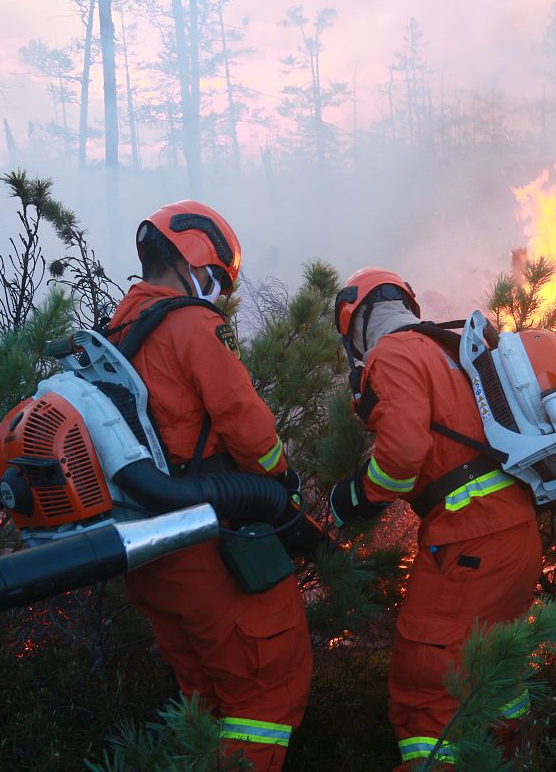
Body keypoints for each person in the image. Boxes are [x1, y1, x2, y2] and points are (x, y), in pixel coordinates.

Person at [106, 201, 312, 770]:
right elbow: (244, 418)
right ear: (196, 261)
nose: (216, 294)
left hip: (150, 554)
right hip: (204, 543)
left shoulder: (118, 333)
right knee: (267, 690)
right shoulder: (188, 325)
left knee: (203, 702)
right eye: (217, 280)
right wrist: (278, 482)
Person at [329, 267, 542, 771]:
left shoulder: (393, 353)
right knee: (497, 670)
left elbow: (402, 453)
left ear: (355, 325)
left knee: (425, 686)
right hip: (517, 537)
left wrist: (355, 497)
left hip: (470, 541)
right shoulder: (455, 349)